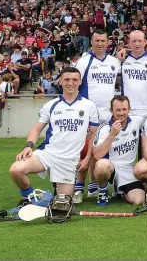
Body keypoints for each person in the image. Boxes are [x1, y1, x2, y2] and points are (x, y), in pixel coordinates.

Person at [9, 67, 99, 204]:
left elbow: (93, 135)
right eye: (67, 79)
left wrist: (87, 158)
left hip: (69, 160)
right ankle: (29, 198)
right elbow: (37, 128)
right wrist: (28, 146)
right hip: (48, 153)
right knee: (16, 169)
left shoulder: (89, 106)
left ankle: (52, 196)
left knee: (62, 205)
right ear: (60, 82)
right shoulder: (51, 105)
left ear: (80, 82)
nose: (71, 83)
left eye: (75, 80)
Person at [75, 29, 121, 201]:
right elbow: (76, 86)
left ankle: (93, 186)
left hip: (107, 116)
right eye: (97, 40)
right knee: (83, 151)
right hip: (88, 115)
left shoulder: (115, 62)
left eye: (103, 40)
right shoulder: (83, 61)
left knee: (98, 152)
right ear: (91, 42)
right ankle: (79, 187)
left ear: (108, 41)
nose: (100, 43)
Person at [93, 96, 145, 207]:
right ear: (111, 110)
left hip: (129, 169)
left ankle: (120, 191)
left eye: (124, 109)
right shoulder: (105, 128)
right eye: (118, 110)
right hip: (111, 168)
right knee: (101, 165)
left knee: (138, 201)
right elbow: (97, 155)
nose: (121, 113)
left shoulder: (137, 121)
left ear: (129, 110)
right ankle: (103, 191)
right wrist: (112, 134)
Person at [121, 30, 147, 116]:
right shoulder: (122, 59)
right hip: (127, 109)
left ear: (145, 42)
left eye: (140, 41)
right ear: (129, 42)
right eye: (134, 41)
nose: (137, 44)